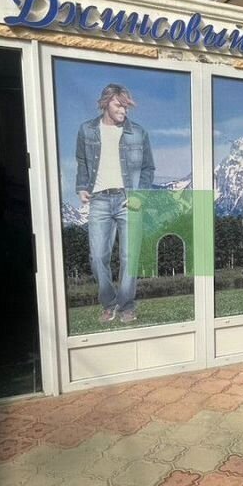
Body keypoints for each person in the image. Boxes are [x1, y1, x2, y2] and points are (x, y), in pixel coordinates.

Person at [75, 83, 155, 324]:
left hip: (127, 199)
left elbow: (148, 168)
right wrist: (81, 187)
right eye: (119, 105)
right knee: (98, 257)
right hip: (99, 199)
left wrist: (140, 195)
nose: (123, 111)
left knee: (129, 256)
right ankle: (109, 304)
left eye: (126, 107)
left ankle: (127, 306)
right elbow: (82, 161)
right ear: (105, 103)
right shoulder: (87, 130)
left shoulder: (138, 133)